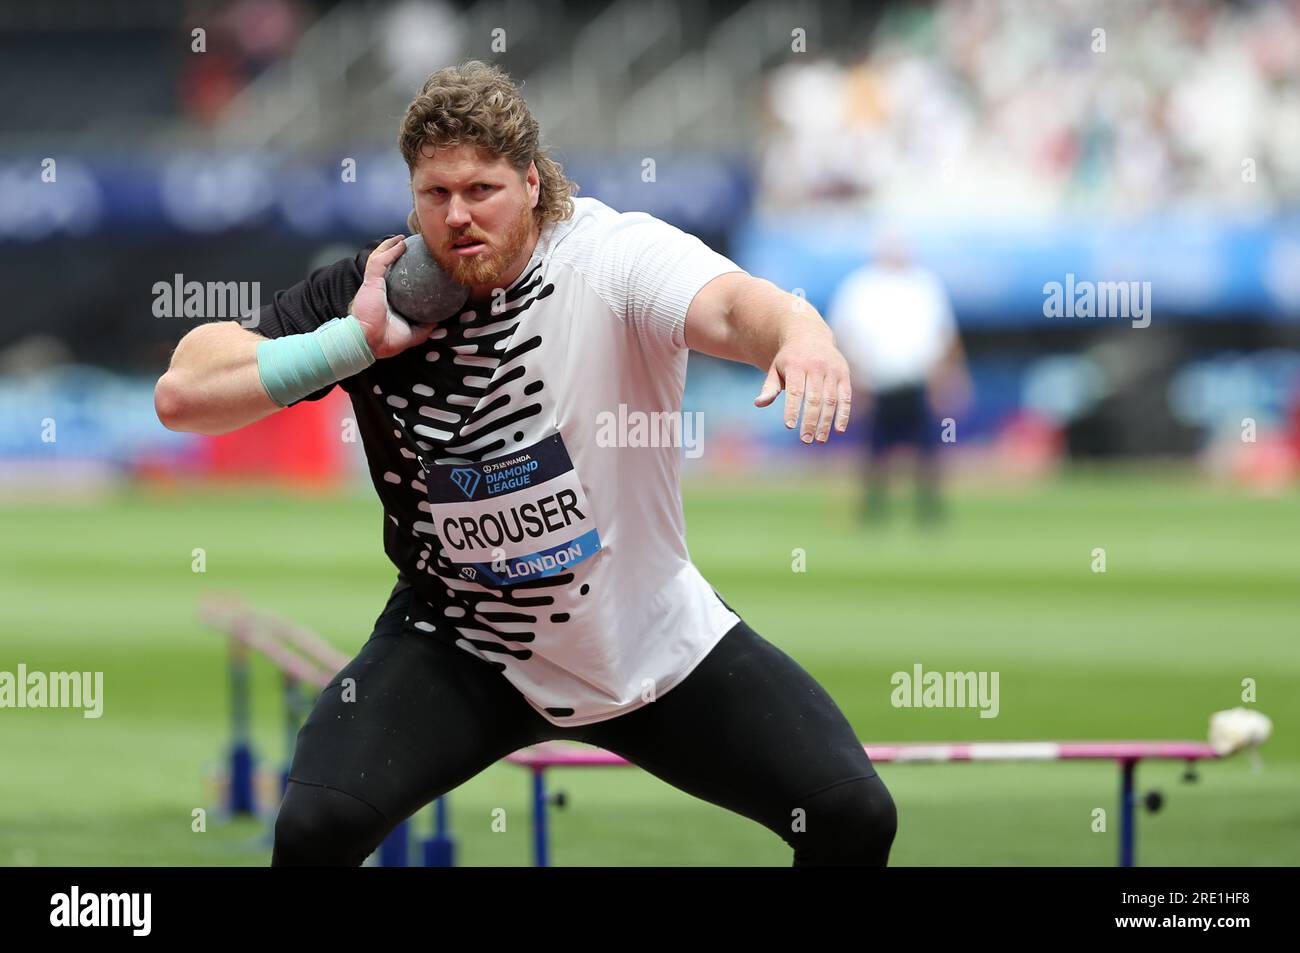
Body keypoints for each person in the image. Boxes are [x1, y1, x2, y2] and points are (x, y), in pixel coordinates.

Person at [154, 60, 897, 866]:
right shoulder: (375, 293)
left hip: (647, 640)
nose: (458, 217)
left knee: (851, 815)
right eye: (435, 195)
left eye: (482, 190)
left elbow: (730, 303)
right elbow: (184, 395)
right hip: (461, 641)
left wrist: (801, 335)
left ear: (534, 184)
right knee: (313, 830)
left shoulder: (613, 258)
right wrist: (353, 345)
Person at [827, 230, 971, 524]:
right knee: (874, 452)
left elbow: (945, 333)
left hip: (917, 379)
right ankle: (873, 511)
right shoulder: (860, 285)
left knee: (927, 452)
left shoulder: (924, 284)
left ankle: (928, 513)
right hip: (876, 381)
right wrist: (853, 377)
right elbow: (844, 334)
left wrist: (951, 375)